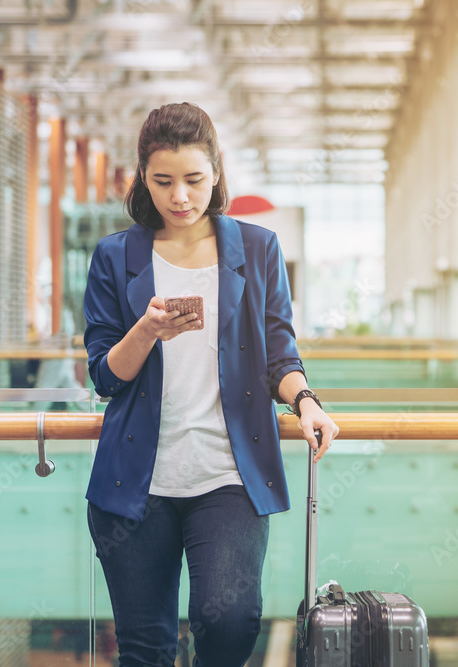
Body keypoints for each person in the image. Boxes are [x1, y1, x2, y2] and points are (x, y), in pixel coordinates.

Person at [82, 102, 339, 667]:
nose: (179, 197)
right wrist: (146, 330)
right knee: (144, 649)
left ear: (217, 172)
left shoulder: (256, 248)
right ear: (143, 179)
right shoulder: (114, 256)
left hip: (227, 474)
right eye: (163, 181)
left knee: (229, 623)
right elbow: (104, 376)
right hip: (135, 481)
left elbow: (279, 353)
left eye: (194, 180)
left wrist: (305, 402)